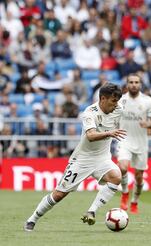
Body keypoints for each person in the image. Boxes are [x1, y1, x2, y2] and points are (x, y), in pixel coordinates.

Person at [24, 83, 127, 231]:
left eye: (117, 101)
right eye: (113, 100)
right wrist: (109, 133)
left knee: (116, 176)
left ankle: (91, 211)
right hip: (82, 159)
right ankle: (32, 219)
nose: (115, 104)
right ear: (102, 98)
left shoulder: (118, 110)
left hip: (102, 158)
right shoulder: (89, 113)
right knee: (59, 194)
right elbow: (90, 136)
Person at [116, 73, 151, 214]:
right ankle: (125, 193)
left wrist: (148, 124)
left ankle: (134, 201)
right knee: (122, 167)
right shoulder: (120, 100)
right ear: (127, 84)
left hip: (141, 143)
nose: (134, 84)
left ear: (140, 84)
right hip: (124, 140)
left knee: (139, 177)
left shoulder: (148, 101)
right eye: (131, 82)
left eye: (136, 82)